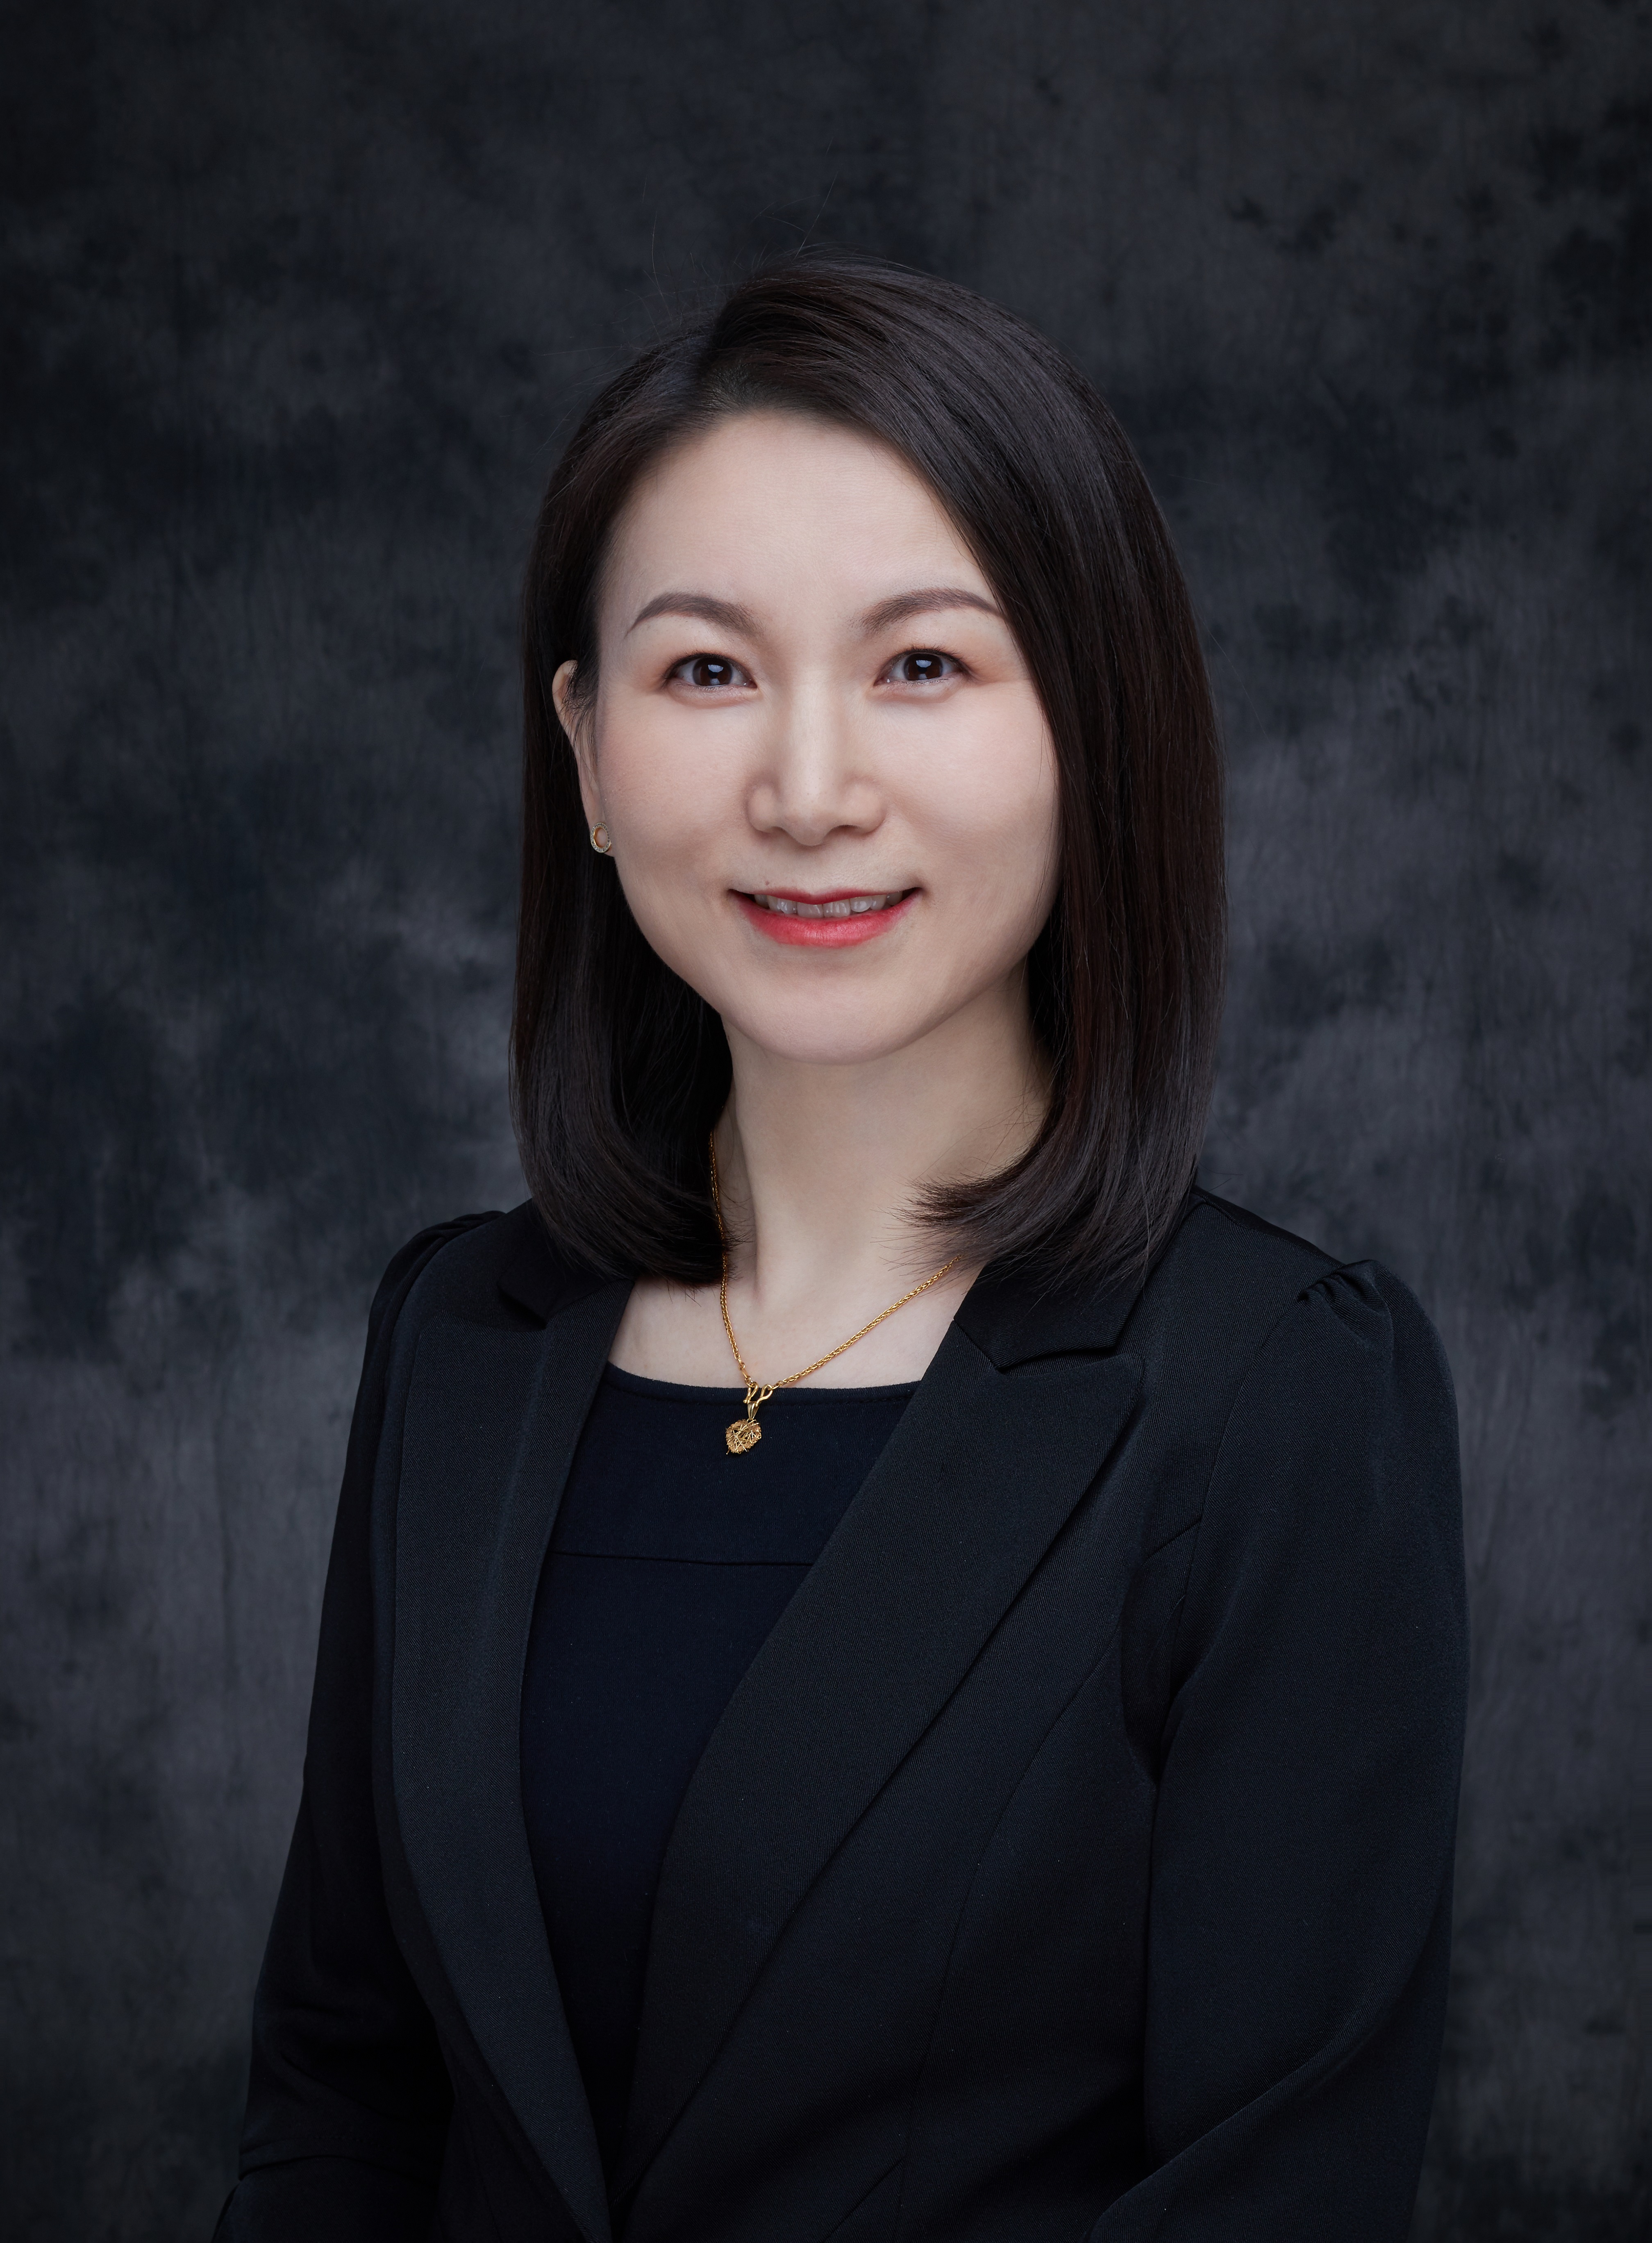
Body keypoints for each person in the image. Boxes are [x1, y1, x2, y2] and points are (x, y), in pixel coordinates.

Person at [215, 256, 1467, 2243]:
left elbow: (1277, 2190)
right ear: (586, 749)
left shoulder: (1279, 1389)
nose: (808, 793)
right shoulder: (461, 1334)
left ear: (1096, 725)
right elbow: (341, 2099)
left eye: (924, 667)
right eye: (707, 673)